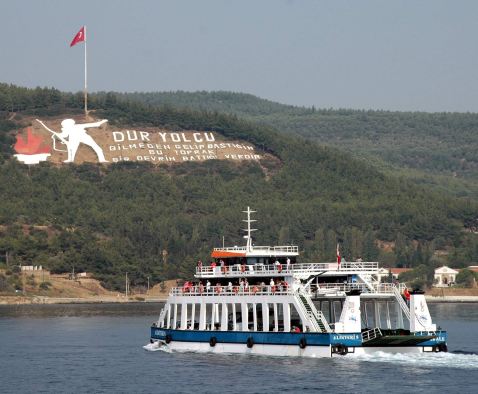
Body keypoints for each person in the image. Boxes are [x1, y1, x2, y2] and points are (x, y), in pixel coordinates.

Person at [39, 118, 108, 163]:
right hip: (74, 138)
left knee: (96, 147)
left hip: (84, 136)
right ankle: (70, 159)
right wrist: (56, 135)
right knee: (71, 149)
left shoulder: (78, 126)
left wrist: (102, 122)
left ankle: (102, 159)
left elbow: (94, 124)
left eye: (64, 125)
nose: (63, 126)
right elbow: (63, 135)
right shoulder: (67, 129)